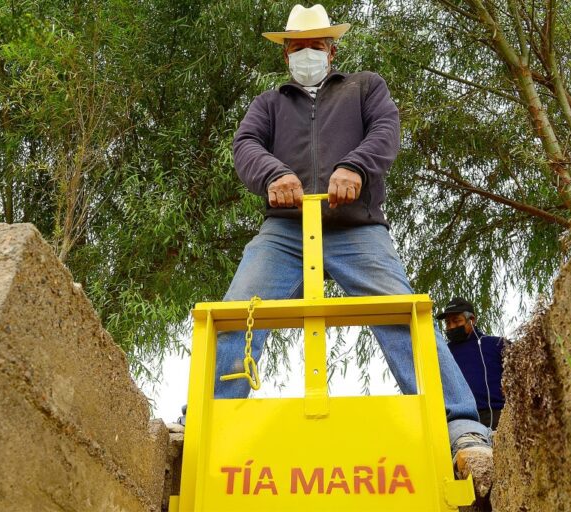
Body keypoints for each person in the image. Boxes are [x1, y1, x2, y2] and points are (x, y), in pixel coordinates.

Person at [204, 3, 493, 496]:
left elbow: (386, 131)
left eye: (316, 45)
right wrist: (274, 175)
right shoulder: (269, 103)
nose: (307, 53)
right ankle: (207, 423)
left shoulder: (365, 87)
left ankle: (461, 428)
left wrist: (356, 167)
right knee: (238, 311)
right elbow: (245, 145)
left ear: (332, 49)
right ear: (286, 55)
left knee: (405, 314)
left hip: (358, 229)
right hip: (286, 231)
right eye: (298, 46)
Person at [437, 297, 506, 429]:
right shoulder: (443, 353)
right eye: (448, 323)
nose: (451, 327)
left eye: (456, 321)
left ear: (472, 320)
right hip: (460, 421)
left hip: (498, 416)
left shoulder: (497, 344)